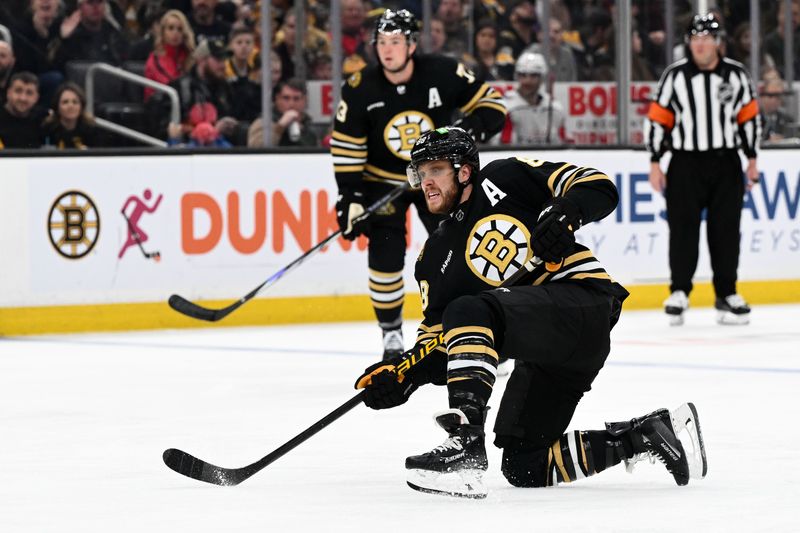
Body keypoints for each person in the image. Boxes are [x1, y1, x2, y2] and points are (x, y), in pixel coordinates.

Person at [353, 126, 708, 499]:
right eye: (420, 173)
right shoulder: (432, 259)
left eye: (435, 170)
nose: (426, 182)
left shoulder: (506, 176)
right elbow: (442, 343)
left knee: (471, 308)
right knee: (526, 465)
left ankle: (465, 443)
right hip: (547, 350)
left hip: (582, 302)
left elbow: (597, 184)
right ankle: (644, 436)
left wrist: (566, 211)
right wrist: (405, 375)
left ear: (464, 171)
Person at [330, 9, 506, 360]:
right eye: (381, 42)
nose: (387, 49)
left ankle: (479, 330)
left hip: (437, 178)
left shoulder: (443, 72)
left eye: (395, 41)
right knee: (385, 253)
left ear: (411, 44)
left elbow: (493, 105)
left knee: (463, 252)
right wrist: (350, 198)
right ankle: (391, 334)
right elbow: (347, 147)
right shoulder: (360, 86)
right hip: (383, 182)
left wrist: (473, 125)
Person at [644, 13, 761, 326]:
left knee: (725, 230)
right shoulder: (674, 76)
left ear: (718, 42)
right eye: (695, 39)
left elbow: (748, 118)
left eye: (706, 38)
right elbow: (658, 119)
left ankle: (727, 294)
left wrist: (752, 158)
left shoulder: (736, 75)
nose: (700, 44)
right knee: (683, 229)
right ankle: (679, 292)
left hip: (726, 162)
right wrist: (655, 161)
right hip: (684, 162)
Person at [501, 51, 565, 144]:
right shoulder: (506, 107)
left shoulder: (555, 108)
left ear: (542, 78)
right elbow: (504, 145)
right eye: (523, 75)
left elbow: (562, 144)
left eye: (533, 75)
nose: (527, 81)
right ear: (517, 76)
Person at [247, 77, 318, 147]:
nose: (291, 104)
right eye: (286, 98)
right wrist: (280, 127)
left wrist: (303, 132)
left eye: (296, 99)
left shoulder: (310, 126)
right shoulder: (263, 123)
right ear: (277, 99)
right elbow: (257, 150)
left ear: (304, 100)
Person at [144, 9, 195, 100]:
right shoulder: (155, 60)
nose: (175, 33)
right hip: (161, 105)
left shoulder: (190, 58)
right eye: (170, 28)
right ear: (163, 32)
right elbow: (164, 87)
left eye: (180, 29)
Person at [41, 81, 98, 148]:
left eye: (75, 102)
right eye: (65, 102)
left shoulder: (91, 129)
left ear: (82, 106)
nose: (70, 106)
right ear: (57, 106)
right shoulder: (47, 129)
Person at [0, 71, 48, 149]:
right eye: (18, 91)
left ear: (36, 98)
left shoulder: (43, 120)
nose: (23, 98)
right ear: (8, 93)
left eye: (29, 93)